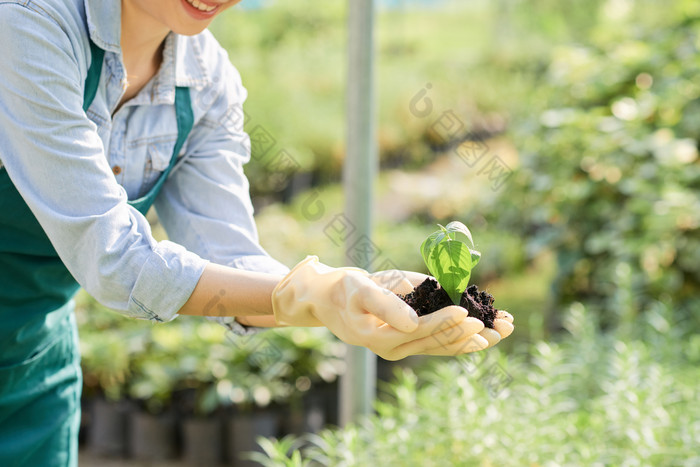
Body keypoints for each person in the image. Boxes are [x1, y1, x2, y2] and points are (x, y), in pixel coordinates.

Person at [0, 0, 514, 465]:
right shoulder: (30, 24)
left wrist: (342, 294)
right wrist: (304, 293)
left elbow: (235, 260)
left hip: (32, 365)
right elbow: (114, 259)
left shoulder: (206, 82)